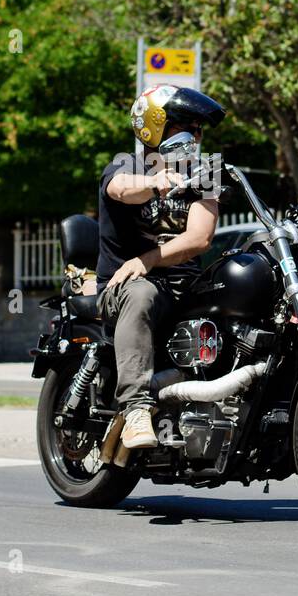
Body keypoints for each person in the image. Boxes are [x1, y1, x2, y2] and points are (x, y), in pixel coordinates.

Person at [96, 85, 226, 450]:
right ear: (155, 128)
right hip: (123, 287)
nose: (196, 138)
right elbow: (120, 190)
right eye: (187, 128)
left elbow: (200, 238)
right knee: (142, 292)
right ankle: (136, 407)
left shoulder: (205, 173)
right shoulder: (128, 165)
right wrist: (155, 182)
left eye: (199, 131)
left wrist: (149, 258)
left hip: (182, 291)